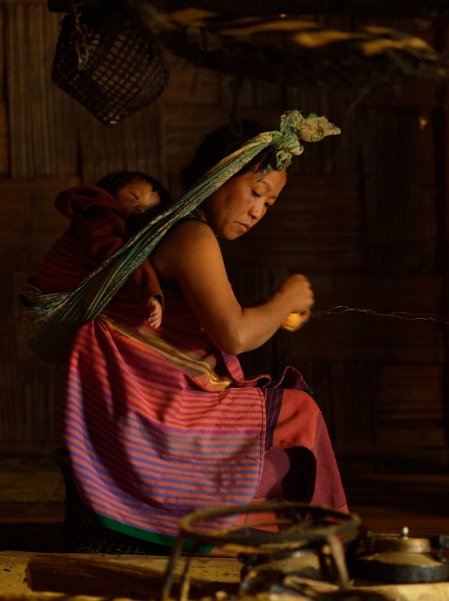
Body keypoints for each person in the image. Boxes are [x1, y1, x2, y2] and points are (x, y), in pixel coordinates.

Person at [32, 112, 347, 554]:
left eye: (269, 204)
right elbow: (236, 334)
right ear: (219, 176)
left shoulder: (177, 234)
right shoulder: (191, 237)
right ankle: (328, 540)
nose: (257, 211)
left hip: (150, 417)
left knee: (289, 416)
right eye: (255, 193)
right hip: (153, 425)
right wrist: (285, 299)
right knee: (299, 413)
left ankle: (264, 530)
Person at [54, 170, 171, 328]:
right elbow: (122, 257)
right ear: (112, 187)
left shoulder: (103, 219)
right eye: (135, 196)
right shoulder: (100, 214)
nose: (139, 208)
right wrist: (149, 294)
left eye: (147, 211)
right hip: (57, 296)